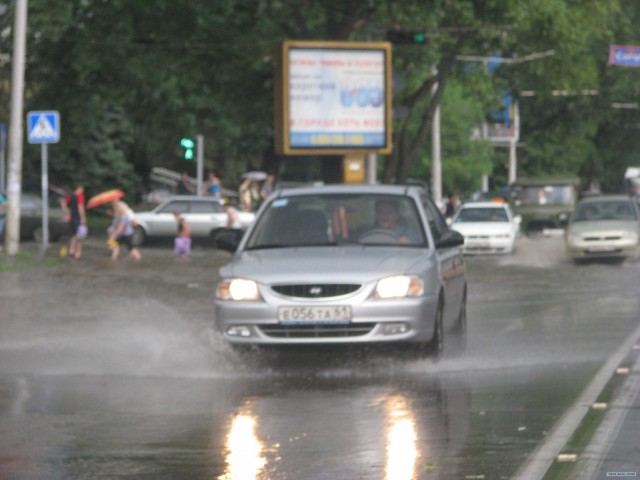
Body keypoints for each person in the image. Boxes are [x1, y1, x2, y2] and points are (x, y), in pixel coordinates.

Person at [62, 185, 87, 259]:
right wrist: (83, 218)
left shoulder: (69, 195)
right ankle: (78, 254)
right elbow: (80, 207)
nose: (82, 191)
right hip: (78, 218)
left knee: (73, 235)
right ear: (78, 189)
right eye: (81, 189)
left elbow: (63, 204)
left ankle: (71, 251)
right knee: (80, 236)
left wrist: (67, 214)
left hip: (72, 218)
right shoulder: (80, 196)